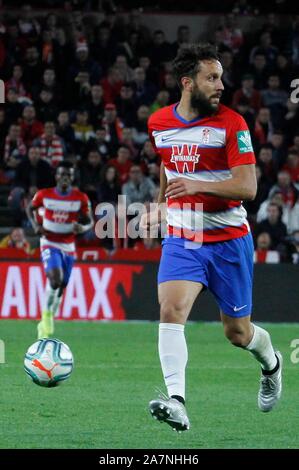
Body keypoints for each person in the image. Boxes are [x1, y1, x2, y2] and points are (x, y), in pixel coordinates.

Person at [142, 44, 283, 432]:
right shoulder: (158, 123)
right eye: (212, 78)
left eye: (220, 77)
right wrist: (160, 205)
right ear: (188, 83)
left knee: (237, 333)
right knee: (171, 310)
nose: (221, 84)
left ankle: (271, 364)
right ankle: (177, 401)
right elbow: (167, 166)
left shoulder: (232, 123)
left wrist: (195, 185)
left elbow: (248, 186)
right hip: (184, 236)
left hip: (229, 238)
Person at [26, 161, 94, 339]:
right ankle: (46, 315)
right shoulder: (44, 195)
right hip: (49, 241)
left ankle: (50, 316)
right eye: (62, 174)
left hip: (68, 245)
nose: (65, 178)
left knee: (62, 286)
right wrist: (35, 225)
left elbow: (90, 221)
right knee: (55, 280)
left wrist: (83, 228)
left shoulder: (80, 198)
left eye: (68, 175)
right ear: (56, 176)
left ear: (72, 177)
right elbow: (30, 208)